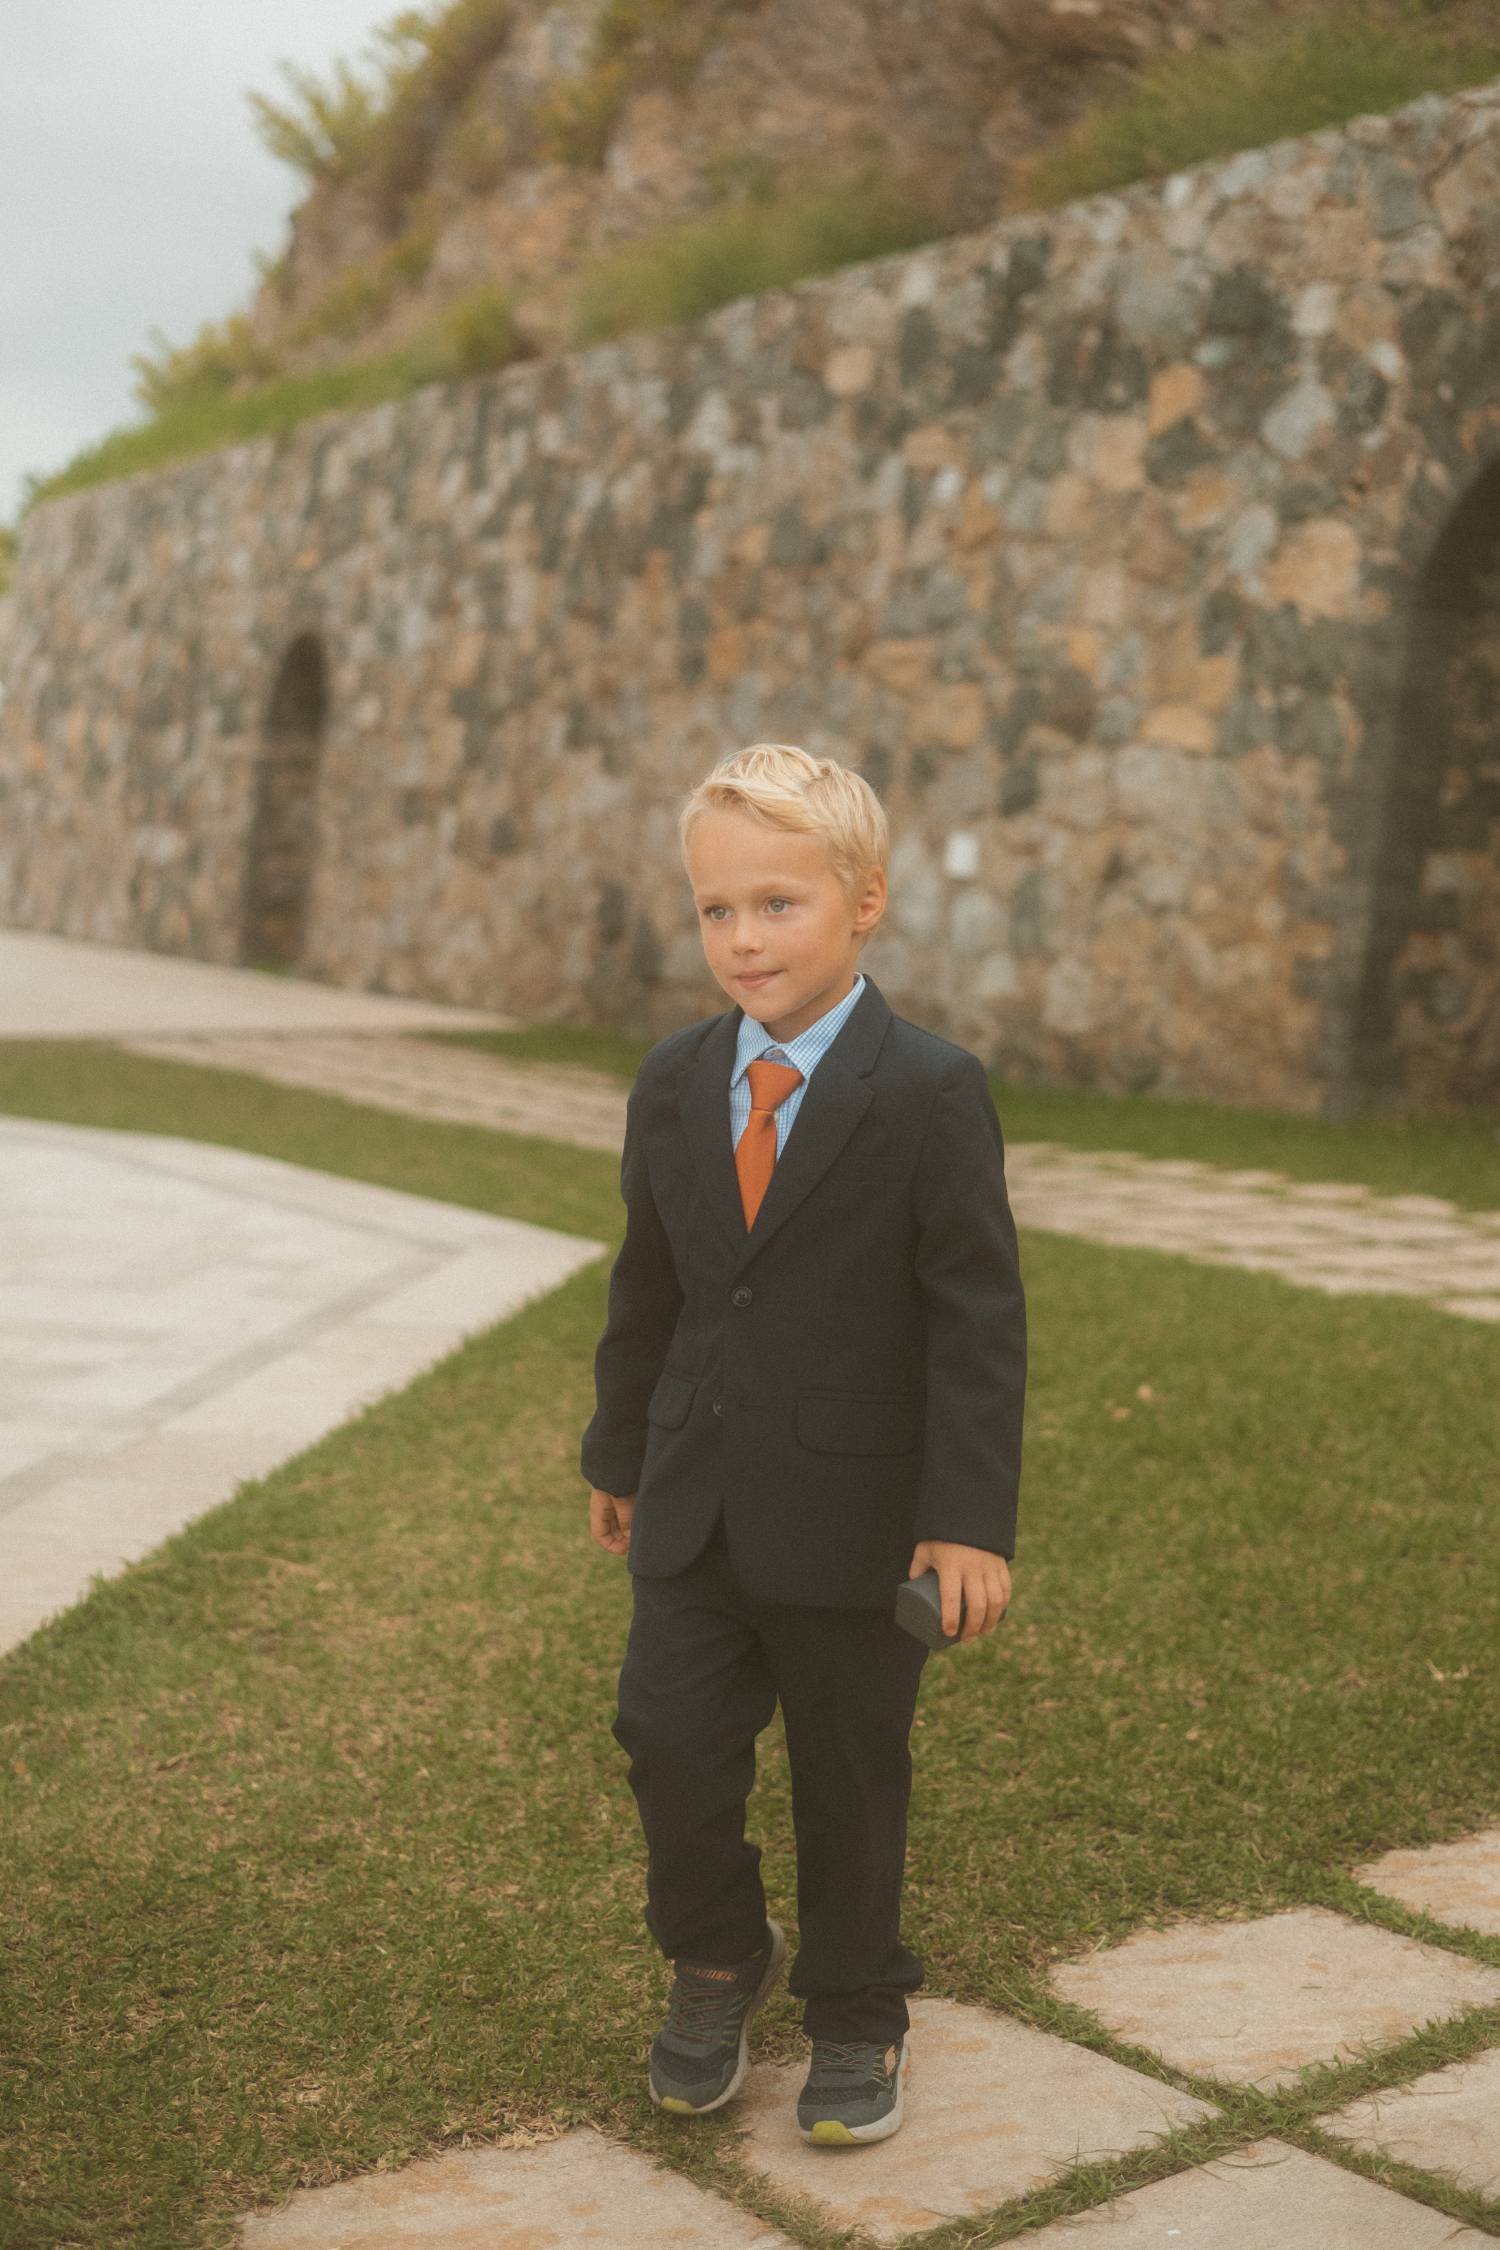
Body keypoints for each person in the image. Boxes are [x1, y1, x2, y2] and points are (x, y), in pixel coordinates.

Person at [580, 741, 1026, 2146]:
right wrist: (616, 1451)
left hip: (859, 1514)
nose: (743, 938)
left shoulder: (929, 1091)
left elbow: (976, 1319)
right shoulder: (672, 1081)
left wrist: (967, 1521)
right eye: (718, 909)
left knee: (849, 1770)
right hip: (695, 1496)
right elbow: (648, 1282)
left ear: (865, 903)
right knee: (665, 1732)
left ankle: (856, 2009)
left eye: (778, 903)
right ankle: (718, 1952)